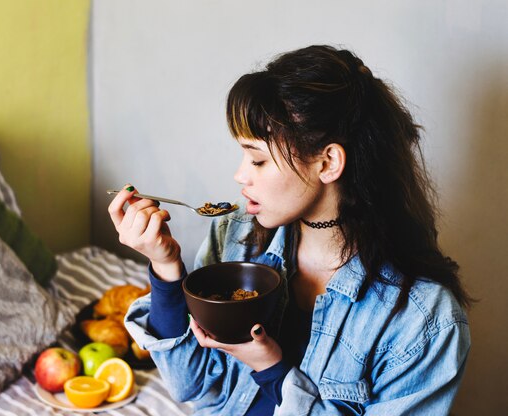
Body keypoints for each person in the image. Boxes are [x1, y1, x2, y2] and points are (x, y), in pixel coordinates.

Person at [108, 45, 471, 415]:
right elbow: (194, 385)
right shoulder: (234, 240)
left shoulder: (423, 320)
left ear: (327, 162)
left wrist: (272, 369)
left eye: (258, 159)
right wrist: (165, 265)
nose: (240, 175)